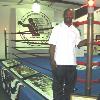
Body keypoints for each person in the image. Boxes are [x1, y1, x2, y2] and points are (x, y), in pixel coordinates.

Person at [48, 8, 87, 100]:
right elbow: (52, 46)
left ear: (72, 16)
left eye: (70, 14)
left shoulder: (75, 31)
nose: (68, 16)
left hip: (72, 64)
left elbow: (79, 44)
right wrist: (52, 60)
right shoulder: (57, 28)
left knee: (70, 87)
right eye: (66, 14)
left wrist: (87, 40)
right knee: (57, 87)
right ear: (63, 15)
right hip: (59, 63)